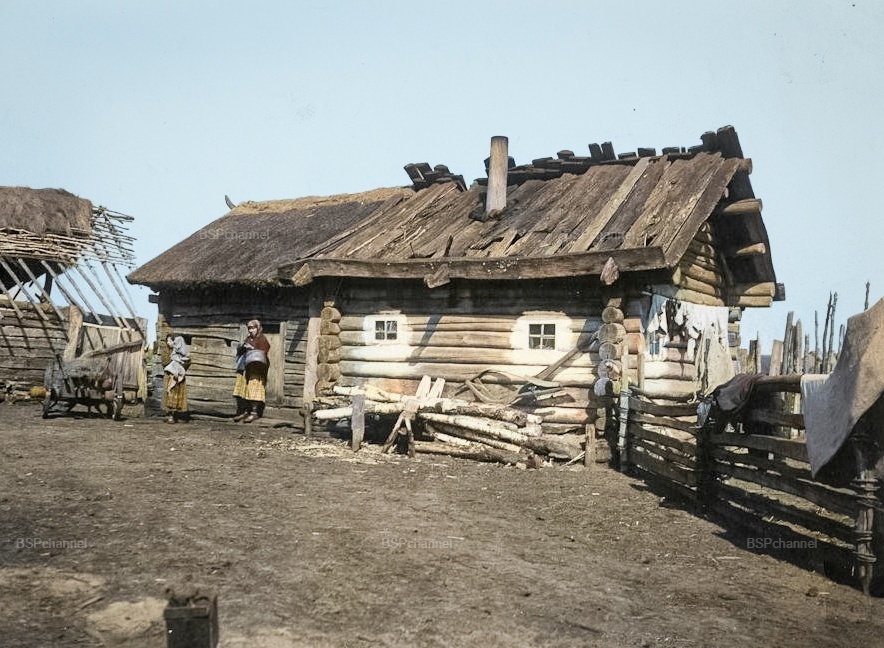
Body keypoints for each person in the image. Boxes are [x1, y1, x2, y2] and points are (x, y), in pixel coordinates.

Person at [232, 319, 270, 423]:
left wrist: (252, 348)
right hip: (246, 367)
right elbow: (241, 351)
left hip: (256, 369)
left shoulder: (262, 339)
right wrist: (242, 347)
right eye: (249, 328)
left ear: (258, 328)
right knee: (244, 390)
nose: (250, 330)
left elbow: (264, 351)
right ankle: (245, 411)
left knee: (254, 389)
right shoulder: (248, 339)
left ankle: (254, 413)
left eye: (253, 328)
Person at [163, 334, 190, 424]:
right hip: (170, 376)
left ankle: (177, 415)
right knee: (170, 395)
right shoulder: (167, 351)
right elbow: (164, 362)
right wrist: (174, 365)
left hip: (179, 377)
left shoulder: (182, 351)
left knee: (179, 396)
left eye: (170, 341)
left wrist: (181, 368)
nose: (169, 343)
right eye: (167, 341)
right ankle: (170, 415)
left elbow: (187, 362)